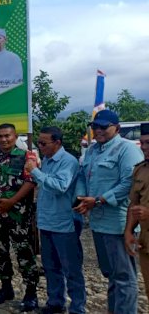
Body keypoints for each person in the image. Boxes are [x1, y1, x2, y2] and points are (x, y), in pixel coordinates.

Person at [74, 110, 143, 314]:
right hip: (97, 222)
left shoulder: (127, 150)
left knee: (124, 276)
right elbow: (81, 176)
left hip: (119, 223)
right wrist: (82, 199)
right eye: (96, 126)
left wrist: (99, 200)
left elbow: (129, 184)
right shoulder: (93, 150)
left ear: (117, 128)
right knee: (110, 273)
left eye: (104, 127)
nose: (98, 130)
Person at [24, 127, 86, 314]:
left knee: (71, 269)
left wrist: (35, 171)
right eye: (39, 143)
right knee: (51, 267)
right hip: (47, 222)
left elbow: (60, 186)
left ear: (57, 142)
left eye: (44, 143)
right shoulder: (49, 161)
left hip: (65, 223)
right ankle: (55, 302)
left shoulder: (68, 161)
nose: (40, 146)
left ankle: (77, 307)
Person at [0, 123, 39, 312]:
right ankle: (6, 288)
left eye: (7, 136)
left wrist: (12, 201)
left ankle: (31, 294)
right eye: (0, 136)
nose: (4, 139)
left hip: (18, 215)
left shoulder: (26, 157)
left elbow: (31, 182)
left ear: (15, 137)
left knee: (24, 253)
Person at [124, 123, 149, 300]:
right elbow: (134, 204)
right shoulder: (140, 169)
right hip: (146, 242)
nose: (145, 147)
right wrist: (128, 231)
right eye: (142, 143)